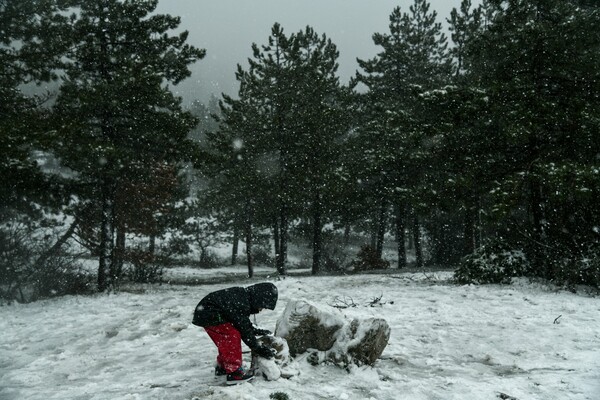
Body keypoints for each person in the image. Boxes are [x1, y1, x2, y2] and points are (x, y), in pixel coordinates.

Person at [192, 282, 278, 385]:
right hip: (210, 314)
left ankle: (222, 367)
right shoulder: (241, 302)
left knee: (225, 339)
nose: (261, 309)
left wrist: (255, 331)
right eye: (262, 306)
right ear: (258, 299)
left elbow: (242, 323)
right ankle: (234, 373)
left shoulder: (242, 298)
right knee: (231, 336)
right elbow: (244, 331)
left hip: (206, 312)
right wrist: (258, 348)